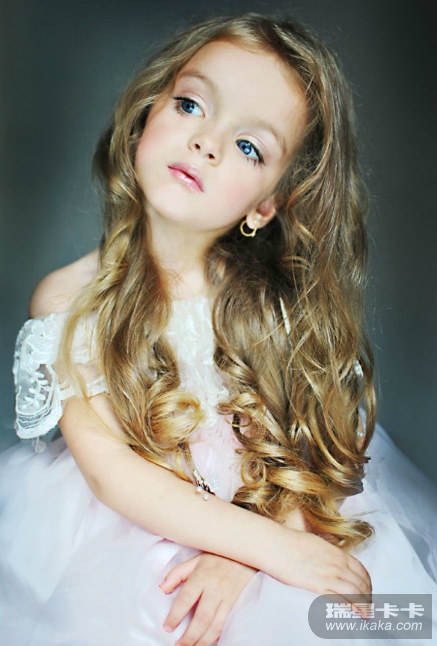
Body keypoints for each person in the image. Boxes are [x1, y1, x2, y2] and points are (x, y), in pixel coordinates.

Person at [0, 12, 435, 646]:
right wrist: (261, 547)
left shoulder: (268, 302)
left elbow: (309, 450)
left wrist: (254, 555)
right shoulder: (68, 299)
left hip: (284, 521)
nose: (206, 142)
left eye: (249, 146)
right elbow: (110, 472)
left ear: (266, 204)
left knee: (354, 617)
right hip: (134, 538)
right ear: (149, 111)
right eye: (191, 105)